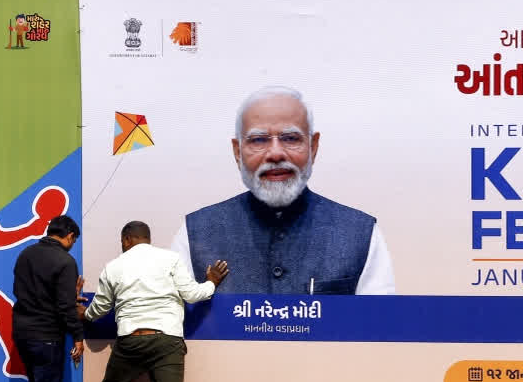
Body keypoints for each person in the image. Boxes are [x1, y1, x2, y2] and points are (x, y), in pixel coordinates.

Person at [169, 86, 395, 295]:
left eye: (290, 138)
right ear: (237, 152)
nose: (275, 154)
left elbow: (381, 330)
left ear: (313, 147)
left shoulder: (361, 233)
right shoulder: (194, 233)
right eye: (258, 140)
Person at [71, 221, 229, 382]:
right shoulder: (170, 259)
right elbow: (192, 294)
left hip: (130, 339)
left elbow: (99, 308)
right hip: (167, 339)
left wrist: (83, 314)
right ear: (147, 238)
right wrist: (211, 282)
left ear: (126, 240)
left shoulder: (114, 266)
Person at [11, 215, 84, 382]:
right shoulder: (65, 261)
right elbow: (65, 307)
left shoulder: (26, 255)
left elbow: (24, 293)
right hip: (47, 336)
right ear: (70, 236)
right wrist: (77, 335)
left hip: (22, 333)